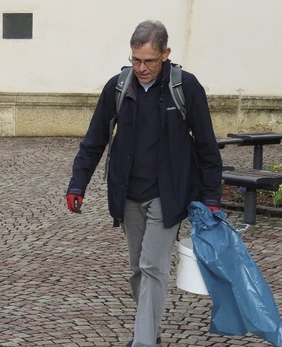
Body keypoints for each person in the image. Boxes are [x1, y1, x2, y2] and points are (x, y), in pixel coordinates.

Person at [65, 20, 222, 347]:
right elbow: (94, 141)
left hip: (168, 194)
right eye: (136, 60)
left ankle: (144, 341)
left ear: (165, 54)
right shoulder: (118, 87)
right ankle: (149, 328)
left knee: (153, 267)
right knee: (138, 268)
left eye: (149, 61)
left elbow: (207, 146)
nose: (141, 68)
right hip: (128, 195)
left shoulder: (186, 88)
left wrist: (211, 197)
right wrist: (77, 185)